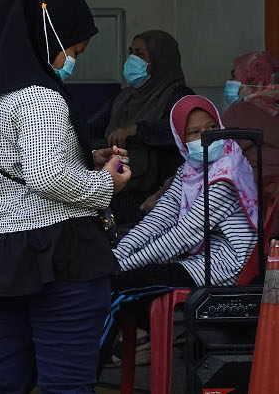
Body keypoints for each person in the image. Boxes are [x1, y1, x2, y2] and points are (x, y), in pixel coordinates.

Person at [0, 0, 132, 394]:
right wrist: (106, 184)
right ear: (50, 37)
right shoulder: (39, 97)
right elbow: (47, 175)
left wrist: (86, 160)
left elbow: (14, 167)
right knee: (67, 383)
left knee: (1, 381)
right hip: (59, 251)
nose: (72, 62)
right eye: (75, 51)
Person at [102, 95, 258, 361]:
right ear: (180, 139)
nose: (206, 137)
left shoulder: (227, 170)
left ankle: (80, 376)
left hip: (223, 267)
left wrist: (122, 266)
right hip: (199, 260)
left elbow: (184, 235)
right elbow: (158, 219)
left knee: (119, 288)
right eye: (194, 132)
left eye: (211, 128)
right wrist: (117, 257)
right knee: (112, 280)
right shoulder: (191, 168)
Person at [88, 31, 192, 225]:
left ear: (160, 60)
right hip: (121, 180)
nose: (133, 59)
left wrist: (136, 129)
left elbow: (182, 130)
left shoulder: (178, 95)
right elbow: (91, 128)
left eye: (140, 54)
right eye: (131, 52)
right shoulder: (123, 97)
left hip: (156, 190)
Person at [222, 51, 279, 203]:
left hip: (259, 202)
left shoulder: (239, 112)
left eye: (235, 77)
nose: (230, 82)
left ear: (251, 78)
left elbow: (209, 155)